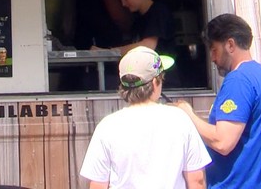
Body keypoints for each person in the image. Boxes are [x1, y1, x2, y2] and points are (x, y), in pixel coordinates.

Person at [79, 46, 210, 189]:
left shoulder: (107, 126)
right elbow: (197, 180)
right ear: (155, 83)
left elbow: (98, 185)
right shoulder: (180, 120)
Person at [175, 14, 261, 188]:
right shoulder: (257, 74)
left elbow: (223, 142)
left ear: (230, 45)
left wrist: (188, 113)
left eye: (214, 50)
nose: (213, 58)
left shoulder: (238, 81)